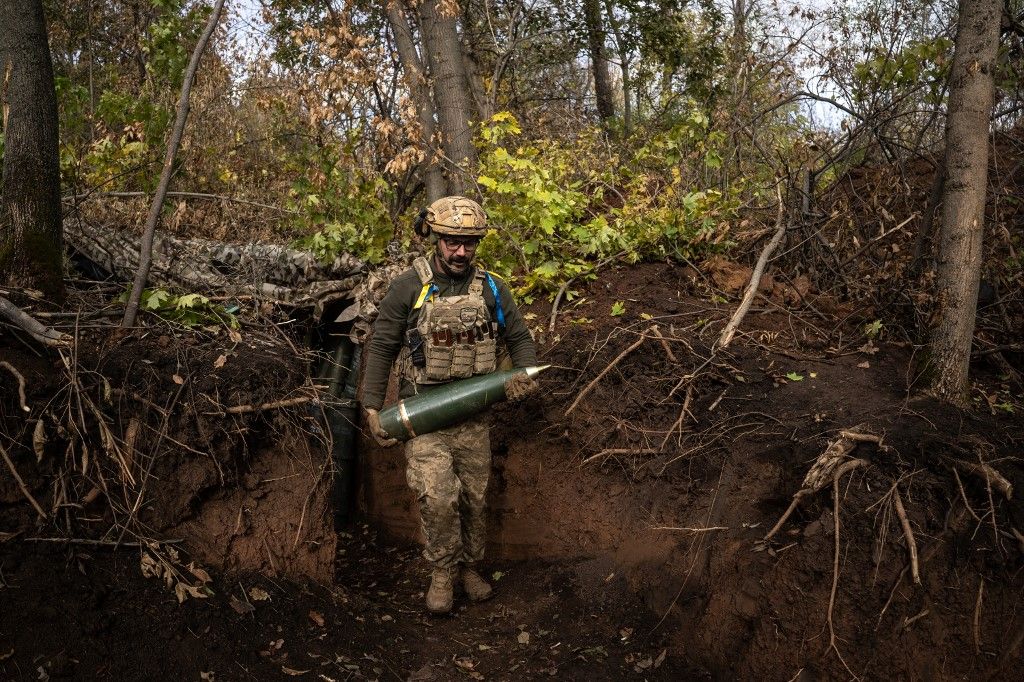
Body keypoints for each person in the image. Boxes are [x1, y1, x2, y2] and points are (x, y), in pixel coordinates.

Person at [361, 195, 539, 614]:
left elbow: (520, 339)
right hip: (423, 416)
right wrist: (372, 407)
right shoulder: (409, 287)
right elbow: (383, 346)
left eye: (469, 243)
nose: (461, 252)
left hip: (474, 416)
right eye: (451, 242)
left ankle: (469, 569)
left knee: (474, 499)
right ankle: (443, 573)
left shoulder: (493, 288)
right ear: (435, 238)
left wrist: (522, 375)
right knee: (438, 497)